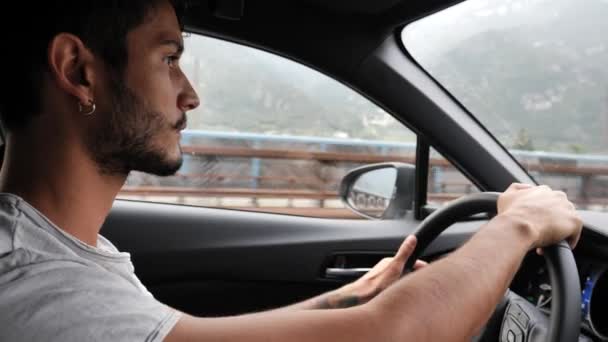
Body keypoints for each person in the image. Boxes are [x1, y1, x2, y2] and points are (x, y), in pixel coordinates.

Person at [0, 1, 582, 341]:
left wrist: (355, 295)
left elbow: (186, 331)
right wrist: (520, 226)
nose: (190, 94)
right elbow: (393, 336)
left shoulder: (63, 253)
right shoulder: (34, 280)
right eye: (169, 59)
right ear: (78, 70)